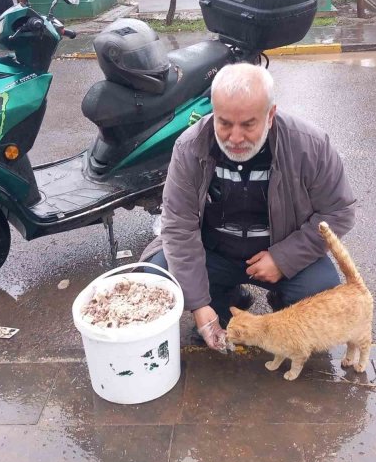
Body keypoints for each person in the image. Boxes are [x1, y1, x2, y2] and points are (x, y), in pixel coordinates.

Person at [141, 63, 357, 348]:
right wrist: (199, 305)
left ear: (270, 115)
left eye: (248, 124)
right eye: (225, 123)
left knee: (320, 290)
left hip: (279, 253)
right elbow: (178, 226)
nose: (235, 137)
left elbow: (339, 211)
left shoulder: (310, 145)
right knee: (157, 278)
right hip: (214, 256)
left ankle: (281, 303)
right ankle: (225, 300)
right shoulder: (189, 148)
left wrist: (284, 258)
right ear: (213, 114)